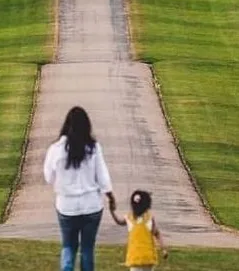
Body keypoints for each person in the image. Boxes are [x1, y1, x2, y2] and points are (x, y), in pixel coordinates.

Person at [44, 106, 115, 271]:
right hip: (91, 206)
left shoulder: (56, 150)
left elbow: (49, 178)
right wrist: (110, 196)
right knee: (87, 249)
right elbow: (102, 176)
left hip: (67, 207)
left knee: (68, 246)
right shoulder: (93, 148)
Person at [110, 189, 167, 269]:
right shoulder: (133, 217)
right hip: (141, 258)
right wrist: (112, 212)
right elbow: (119, 221)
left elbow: (157, 233)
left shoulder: (148, 218)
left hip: (143, 258)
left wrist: (163, 248)